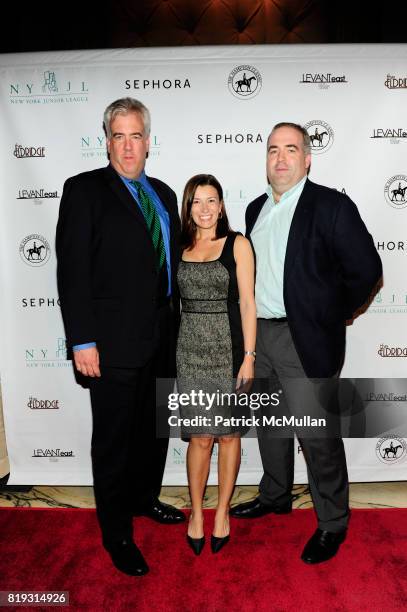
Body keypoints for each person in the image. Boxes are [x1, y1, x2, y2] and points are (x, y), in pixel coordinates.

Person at [230, 122, 382, 564]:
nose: (280, 158)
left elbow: (366, 269)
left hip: (305, 340)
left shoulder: (331, 205)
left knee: (318, 437)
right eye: (273, 149)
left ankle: (332, 521)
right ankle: (275, 494)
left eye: (291, 149)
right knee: (271, 426)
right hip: (259, 337)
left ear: (307, 158)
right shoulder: (256, 208)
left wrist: (332, 314)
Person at [56, 97, 185, 577]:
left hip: (163, 336)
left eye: (136, 136)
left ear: (148, 142)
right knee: (113, 439)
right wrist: (82, 339)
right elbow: (72, 272)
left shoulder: (165, 194)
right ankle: (116, 533)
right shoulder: (84, 190)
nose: (128, 146)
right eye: (119, 136)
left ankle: (143, 499)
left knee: (153, 431)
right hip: (109, 342)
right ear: (106, 140)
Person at [176, 174, 256, 555]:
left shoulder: (238, 244)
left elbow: (248, 304)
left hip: (228, 350)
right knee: (200, 437)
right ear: (188, 207)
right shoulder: (178, 245)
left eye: (212, 201)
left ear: (222, 205)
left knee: (228, 436)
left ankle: (222, 512)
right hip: (189, 350)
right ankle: (196, 513)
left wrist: (249, 356)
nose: (205, 209)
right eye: (197, 201)